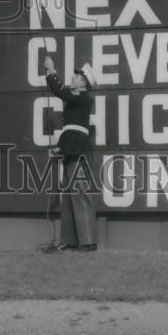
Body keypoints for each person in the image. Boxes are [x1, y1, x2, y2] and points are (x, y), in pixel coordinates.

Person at [43, 55, 98, 252]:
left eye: (76, 76)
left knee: (80, 193)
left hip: (78, 152)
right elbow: (71, 130)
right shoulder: (77, 100)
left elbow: (60, 91)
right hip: (71, 150)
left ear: (83, 82)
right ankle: (72, 240)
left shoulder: (82, 98)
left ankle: (88, 241)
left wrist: (51, 70)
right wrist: (59, 148)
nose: (73, 78)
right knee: (69, 195)